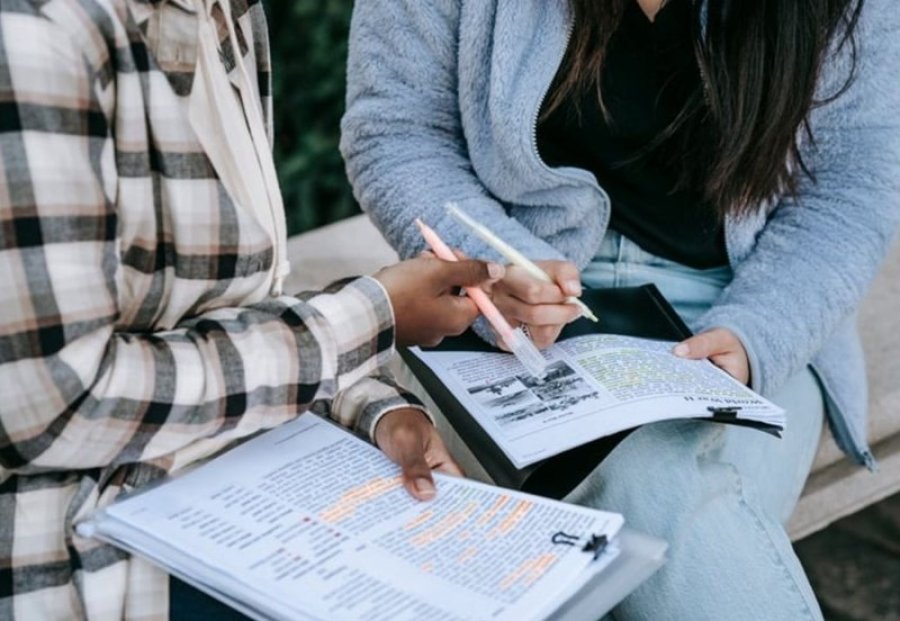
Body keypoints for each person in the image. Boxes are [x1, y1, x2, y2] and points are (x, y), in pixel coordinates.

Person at [341, 0, 900, 618]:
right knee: (655, 499)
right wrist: (496, 269)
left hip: (751, 302)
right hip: (505, 307)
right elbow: (397, 133)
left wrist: (758, 336)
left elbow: (852, 186)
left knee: (640, 499)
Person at [0, 0, 506, 618]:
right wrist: (371, 319)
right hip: (102, 557)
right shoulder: (35, 35)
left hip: (248, 498)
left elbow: (231, 311)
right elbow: (53, 406)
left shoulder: (232, 15)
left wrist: (372, 405)